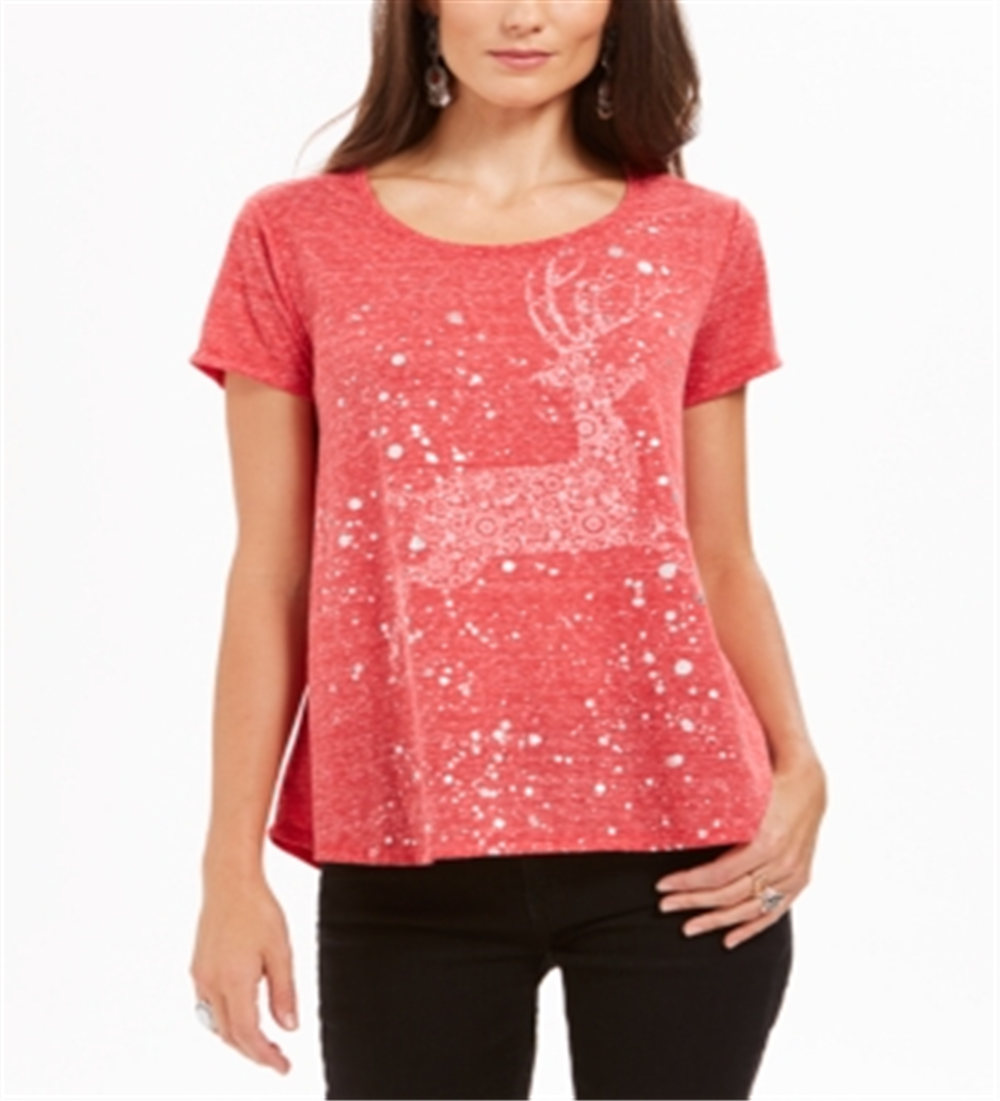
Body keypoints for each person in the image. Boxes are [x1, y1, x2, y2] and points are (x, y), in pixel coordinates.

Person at [188, 0, 827, 1097]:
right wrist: (227, 867)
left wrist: (798, 762)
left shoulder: (703, 236)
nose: (523, 15)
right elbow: (273, 573)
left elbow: (719, 552)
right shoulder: (294, 235)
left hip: (687, 854)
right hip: (406, 847)